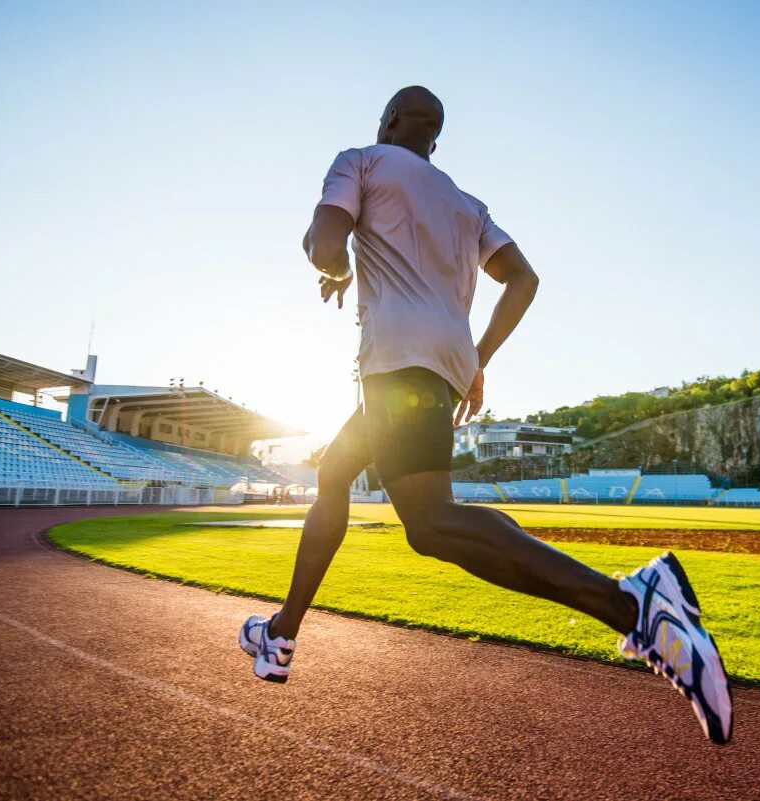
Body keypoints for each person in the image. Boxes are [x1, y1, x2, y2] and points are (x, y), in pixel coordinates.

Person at [239, 86, 733, 743]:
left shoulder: (359, 161)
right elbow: (523, 278)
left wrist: (330, 264)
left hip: (398, 364)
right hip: (434, 367)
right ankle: (280, 635)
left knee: (430, 523)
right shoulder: (468, 206)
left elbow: (324, 240)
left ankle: (633, 603)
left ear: (387, 123)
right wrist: (478, 358)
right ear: (434, 140)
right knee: (334, 475)